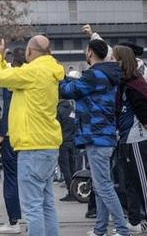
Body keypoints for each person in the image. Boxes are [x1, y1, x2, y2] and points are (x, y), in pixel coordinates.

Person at [0, 34, 63, 236]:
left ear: (30, 52)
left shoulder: (33, 72)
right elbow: (10, 81)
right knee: (46, 205)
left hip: (32, 148)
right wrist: (2, 59)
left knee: (32, 208)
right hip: (48, 146)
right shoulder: (48, 70)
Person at [59, 39, 136, 236]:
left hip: (97, 136)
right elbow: (78, 85)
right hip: (105, 136)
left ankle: (121, 228)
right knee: (101, 185)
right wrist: (66, 78)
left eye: (87, 50)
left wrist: (59, 78)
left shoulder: (95, 74)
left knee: (103, 186)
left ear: (90, 53)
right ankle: (100, 229)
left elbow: (69, 91)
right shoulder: (105, 73)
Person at [113, 45, 147, 233]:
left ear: (122, 61)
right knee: (131, 182)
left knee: (142, 182)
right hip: (125, 139)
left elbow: (144, 113)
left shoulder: (136, 83)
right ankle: (134, 221)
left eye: (115, 59)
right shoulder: (123, 83)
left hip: (137, 140)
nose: (112, 62)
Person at [0, 47, 26, 234]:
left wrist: (2, 133)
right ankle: (36, 219)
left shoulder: (11, 80)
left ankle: (14, 222)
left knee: (11, 179)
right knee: (31, 181)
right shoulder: (34, 76)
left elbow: (8, 108)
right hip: (31, 137)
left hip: (12, 137)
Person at [57, 98, 78, 201]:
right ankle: (75, 190)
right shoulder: (72, 109)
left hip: (62, 142)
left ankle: (71, 192)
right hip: (72, 141)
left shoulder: (58, 110)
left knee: (65, 169)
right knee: (73, 167)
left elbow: (56, 126)